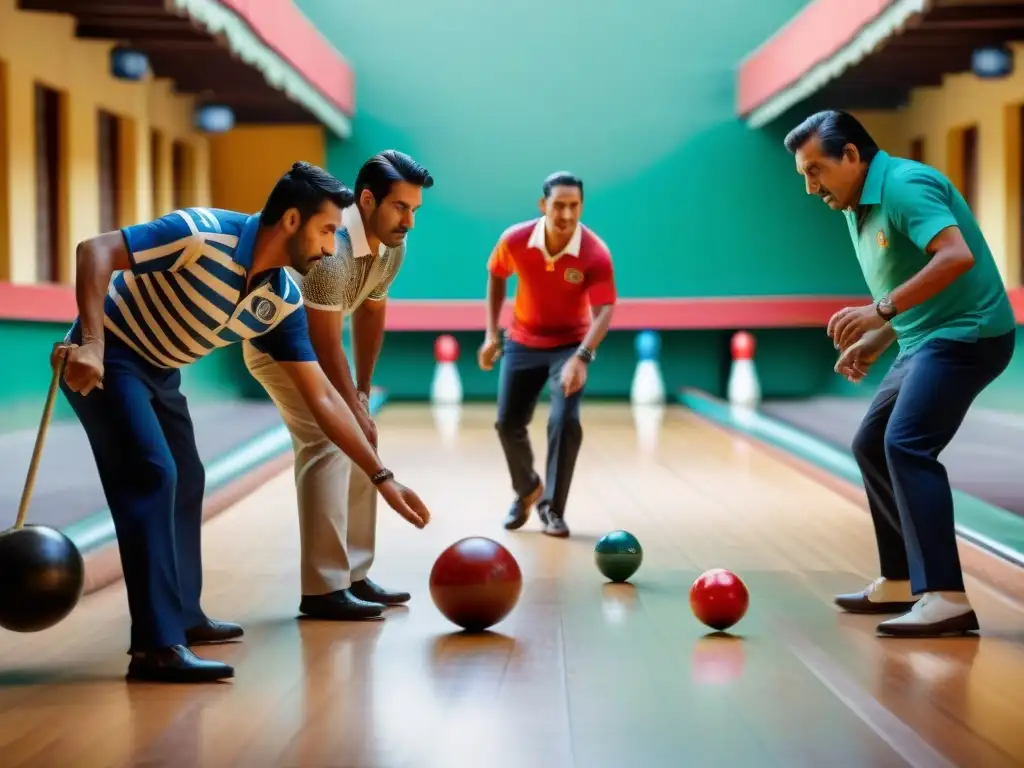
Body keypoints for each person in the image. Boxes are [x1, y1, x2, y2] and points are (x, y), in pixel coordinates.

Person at [55, 162, 431, 683]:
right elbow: (95, 251)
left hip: (160, 369)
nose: (329, 246)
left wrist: (381, 476)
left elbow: (320, 394)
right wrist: (91, 343)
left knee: (188, 478)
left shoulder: (279, 299)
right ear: (293, 221)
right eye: (327, 230)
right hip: (107, 361)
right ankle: (156, 647)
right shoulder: (199, 234)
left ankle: (184, 615)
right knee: (152, 474)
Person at [783, 110, 1016, 638]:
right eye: (803, 174)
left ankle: (947, 598)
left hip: (968, 334)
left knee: (906, 445)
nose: (809, 186)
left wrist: (881, 311)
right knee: (872, 443)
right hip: (923, 337)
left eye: (815, 170)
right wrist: (880, 336)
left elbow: (955, 256)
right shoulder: (853, 201)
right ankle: (901, 577)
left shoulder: (905, 186)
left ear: (851, 155)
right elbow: (917, 275)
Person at [244, 151, 433, 621]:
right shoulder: (335, 252)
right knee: (329, 440)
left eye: (414, 210)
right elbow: (326, 348)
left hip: (317, 352)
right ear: (367, 201)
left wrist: (364, 395)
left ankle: (353, 574)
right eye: (400, 208)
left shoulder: (392, 246)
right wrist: (351, 409)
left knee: (361, 432)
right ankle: (324, 589)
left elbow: (371, 310)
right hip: (279, 350)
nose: (408, 221)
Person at [478, 171, 617, 538]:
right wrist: (492, 333)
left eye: (574, 206)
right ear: (544, 206)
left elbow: (605, 309)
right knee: (507, 423)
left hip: (570, 347)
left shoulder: (595, 253)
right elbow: (496, 274)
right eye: (559, 205)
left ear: (581, 206)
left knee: (565, 422)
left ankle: (552, 509)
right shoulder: (516, 239)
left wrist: (582, 356)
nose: (567, 214)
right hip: (522, 342)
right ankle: (527, 491)